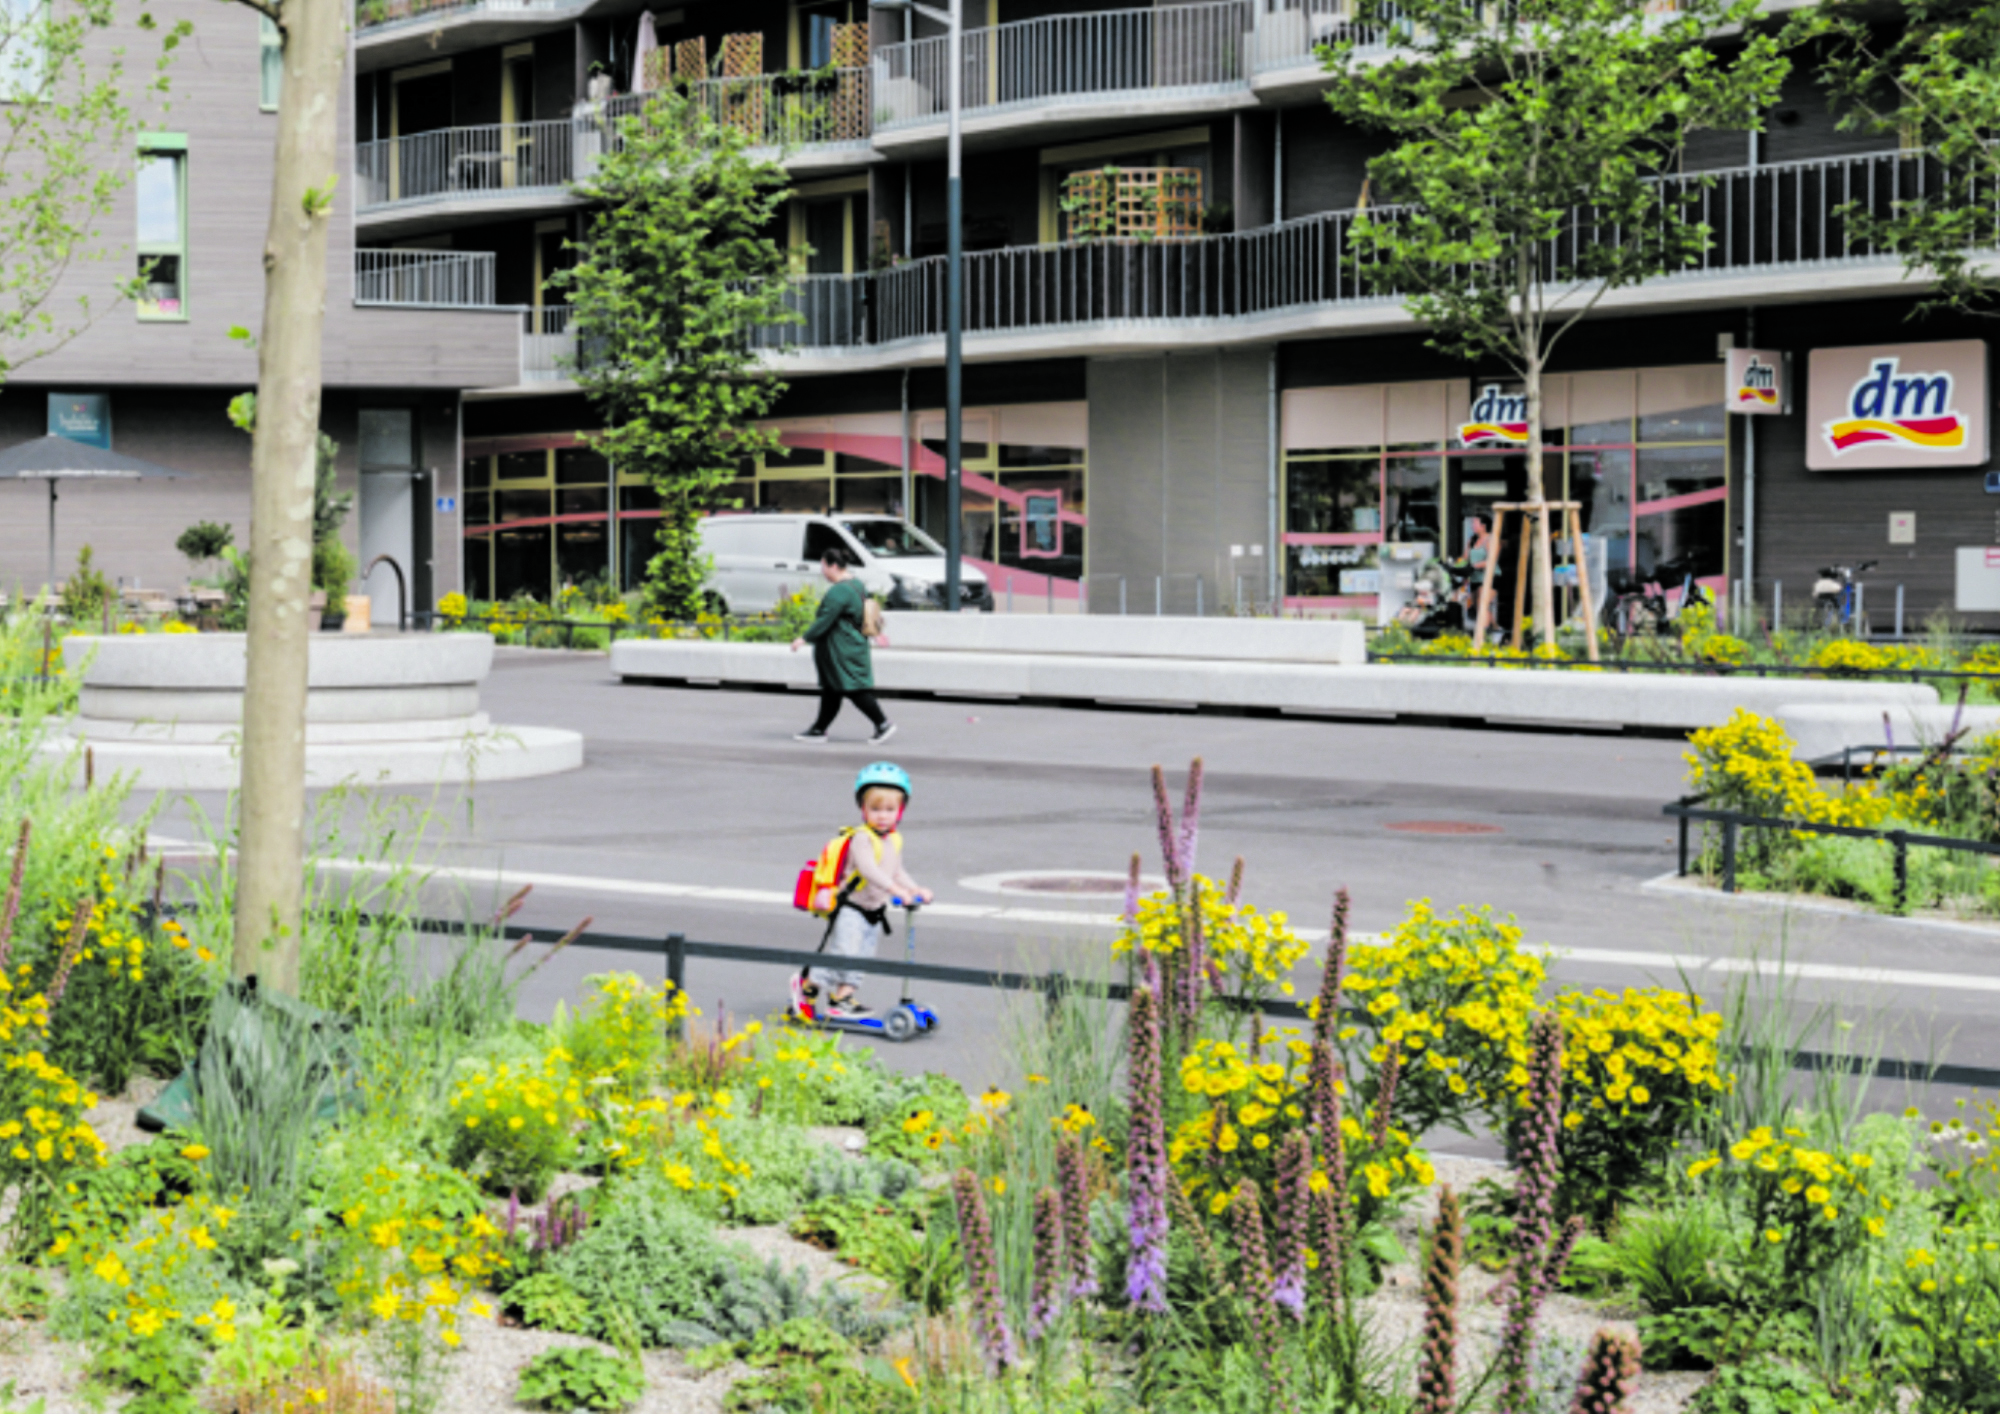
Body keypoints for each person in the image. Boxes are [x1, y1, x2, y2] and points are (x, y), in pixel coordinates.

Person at [793, 762, 932, 1019]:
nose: (882, 815)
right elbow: (869, 870)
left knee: (863, 956)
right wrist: (896, 891)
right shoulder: (862, 838)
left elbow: (896, 870)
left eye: (889, 809)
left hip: (874, 910)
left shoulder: (894, 839)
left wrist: (915, 888)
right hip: (851, 908)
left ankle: (842, 998)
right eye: (875, 809)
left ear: (900, 810)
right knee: (843, 953)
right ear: (863, 808)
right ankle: (806, 988)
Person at [791, 546, 895, 744]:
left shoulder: (839, 592)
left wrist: (803, 638)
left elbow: (824, 620)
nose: (822, 572)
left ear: (834, 566)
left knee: (853, 688)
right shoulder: (856, 584)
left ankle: (883, 724)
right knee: (833, 689)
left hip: (842, 649)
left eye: (824, 567)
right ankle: (819, 729)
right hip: (850, 645)